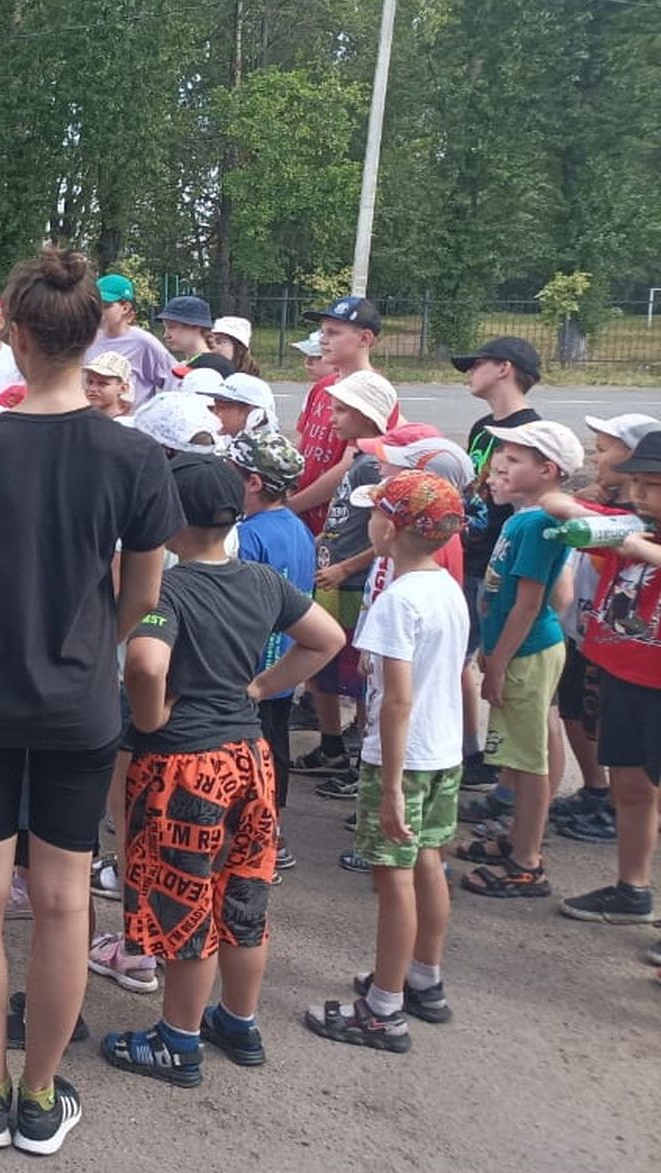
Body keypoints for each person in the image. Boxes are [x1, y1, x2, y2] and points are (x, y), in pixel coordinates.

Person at [0, 246, 181, 1155]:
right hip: (80, 700)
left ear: (20, 337)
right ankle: (40, 1098)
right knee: (70, 901)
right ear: (88, 336)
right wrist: (90, 649)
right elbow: (144, 593)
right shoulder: (136, 453)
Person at [105, 454, 343, 1088]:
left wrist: (150, 721)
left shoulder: (169, 591)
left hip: (183, 769)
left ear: (171, 523)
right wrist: (262, 688)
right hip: (249, 761)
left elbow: (147, 666)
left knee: (187, 904)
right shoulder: (263, 581)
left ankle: (177, 1041)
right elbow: (327, 638)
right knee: (242, 896)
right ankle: (238, 1021)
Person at [305, 471, 470, 1051]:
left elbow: (396, 700)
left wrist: (392, 785)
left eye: (375, 514)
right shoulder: (446, 586)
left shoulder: (397, 602)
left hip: (402, 757)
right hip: (443, 748)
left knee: (392, 877)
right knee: (427, 863)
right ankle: (424, 975)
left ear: (392, 528)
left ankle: (383, 1008)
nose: (367, 522)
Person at [545, 430, 661, 962]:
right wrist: (612, 516)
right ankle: (632, 887)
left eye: (653, 485)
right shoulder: (630, 525)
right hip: (623, 673)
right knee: (630, 786)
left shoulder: (638, 538)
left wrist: (642, 548)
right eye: (635, 482)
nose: (641, 495)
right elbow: (557, 505)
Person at [456, 420, 584, 899]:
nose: (495, 469)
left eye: (512, 461)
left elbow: (532, 603)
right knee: (523, 750)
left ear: (547, 471)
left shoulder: (537, 524)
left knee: (529, 761)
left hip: (525, 653)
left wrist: (499, 662)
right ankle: (517, 839)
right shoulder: (521, 517)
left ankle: (526, 861)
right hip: (517, 650)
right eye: (498, 458)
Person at [294, 370, 396, 794]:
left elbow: (388, 536)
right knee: (323, 669)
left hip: (350, 582)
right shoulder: (357, 459)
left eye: (340, 410)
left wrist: (347, 566)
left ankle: (357, 760)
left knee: (354, 673)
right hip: (331, 573)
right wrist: (322, 541)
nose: (331, 418)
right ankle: (331, 744)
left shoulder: (375, 464)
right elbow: (344, 517)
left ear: (366, 414)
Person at [455, 337, 545, 792]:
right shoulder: (482, 426)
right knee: (462, 660)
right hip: (470, 552)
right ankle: (474, 753)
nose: (469, 371)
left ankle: (510, 774)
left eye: (477, 362)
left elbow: (527, 504)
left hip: (497, 564)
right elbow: (478, 490)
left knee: (499, 667)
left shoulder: (530, 432)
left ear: (504, 368)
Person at [227, 430, 316, 867]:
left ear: (254, 482)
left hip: (249, 669)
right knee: (274, 750)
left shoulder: (247, 536)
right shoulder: (299, 528)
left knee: (246, 756)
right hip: (285, 664)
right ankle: (273, 837)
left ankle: (250, 842)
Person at [289, 296, 392, 534]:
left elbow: (350, 464)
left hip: (337, 522)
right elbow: (302, 444)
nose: (323, 340)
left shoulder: (374, 392)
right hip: (301, 515)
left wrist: (293, 505)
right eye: (322, 332)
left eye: (333, 333)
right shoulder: (322, 386)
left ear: (364, 338)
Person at [85, 273, 176, 407]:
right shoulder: (86, 338)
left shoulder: (143, 342)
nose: (98, 311)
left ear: (125, 308)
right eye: (95, 305)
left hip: (131, 424)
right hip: (93, 422)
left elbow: (174, 380)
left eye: (105, 306)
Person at [156, 295, 235, 378]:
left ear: (195, 326)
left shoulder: (216, 366)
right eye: (165, 328)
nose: (166, 335)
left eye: (172, 327)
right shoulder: (184, 365)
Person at [211, 373, 278, 438]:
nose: (215, 412)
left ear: (253, 415)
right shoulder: (225, 444)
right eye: (215, 406)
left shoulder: (269, 448)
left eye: (222, 407)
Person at [83, 351, 135, 420]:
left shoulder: (127, 424)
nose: (92, 389)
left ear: (123, 389)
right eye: (90, 382)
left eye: (102, 384)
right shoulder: (80, 420)